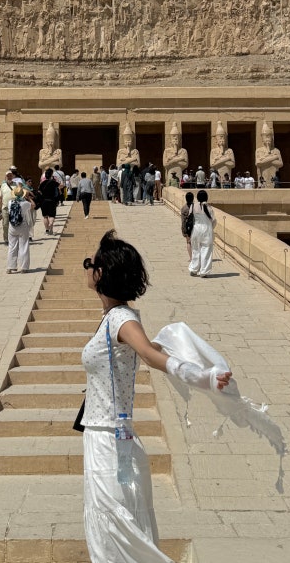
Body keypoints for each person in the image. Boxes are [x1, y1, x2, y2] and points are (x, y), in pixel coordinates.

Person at [81, 231, 231, 563]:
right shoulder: (114, 317)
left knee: (115, 533)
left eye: (89, 264)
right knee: (112, 531)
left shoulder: (121, 319)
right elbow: (150, 349)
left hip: (110, 442)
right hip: (103, 436)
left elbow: (150, 356)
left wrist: (203, 377)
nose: (87, 269)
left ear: (101, 274)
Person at [7, 185, 33, 273]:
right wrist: (28, 198)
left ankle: (10, 267)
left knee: (12, 247)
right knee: (24, 246)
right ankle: (24, 268)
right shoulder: (25, 203)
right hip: (22, 226)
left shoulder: (10, 203)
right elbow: (33, 206)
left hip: (12, 226)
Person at [189, 189, 215, 278]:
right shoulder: (209, 208)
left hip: (196, 230)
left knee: (195, 250)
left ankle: (194, 269)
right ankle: (204, 271)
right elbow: (214, 221)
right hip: (206, 231)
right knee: (206, 251)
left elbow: (190, 218)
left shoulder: (193, 206)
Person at [38, 167, 61, 234]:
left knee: (45, 216)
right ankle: (51, 224)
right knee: (52, 216)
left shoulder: (42, 183)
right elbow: (61, 185)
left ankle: (47, 230)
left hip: (44, 201)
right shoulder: (53, 182)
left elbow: (39, 191)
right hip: (52, 200)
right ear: (51, 175)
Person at [0, 170, 16, 244]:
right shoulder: (3, 185)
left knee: (14, 224)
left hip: (14, 207)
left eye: (10, 175)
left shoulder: (16, 185)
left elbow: (19, 196)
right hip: (5, 207)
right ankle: (6, 239)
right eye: (8, 176)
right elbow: (0, 197)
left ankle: (13, 238)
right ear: (6, 177)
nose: (9, 177)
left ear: (12, 176)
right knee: (5, 224)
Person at [180, 191, 194, 263]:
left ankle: (191, 258)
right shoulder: (195, 207)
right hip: (195, 227)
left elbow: (183, 221)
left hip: (187, 228)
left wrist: (183, 230)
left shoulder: (184, 208)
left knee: (188, 242)